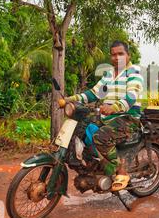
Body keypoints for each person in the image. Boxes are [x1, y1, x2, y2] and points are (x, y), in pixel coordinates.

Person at [59, 40, 144, 191]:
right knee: (80, 129)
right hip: (108, 117)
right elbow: (94, 93)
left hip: (128, 118)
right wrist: (72, 99)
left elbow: (132, 95)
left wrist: (115, 107)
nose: (116, 58)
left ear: (128, 55)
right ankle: (96, 165)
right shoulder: (109, 74)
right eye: (113, 55)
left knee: (101, 137)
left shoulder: (134, 73)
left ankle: (121, 171)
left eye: (120, 54)